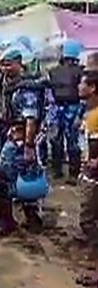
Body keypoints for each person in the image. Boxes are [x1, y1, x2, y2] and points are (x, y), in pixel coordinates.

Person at [0, 47, 47, 237]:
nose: (4, 68)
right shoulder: (7, 85)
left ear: (19, 63)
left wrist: (28, 146)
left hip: (22, 140)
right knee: (23, 177)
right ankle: (31, 220)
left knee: (2, 178)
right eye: (2, 64)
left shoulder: (26, 88)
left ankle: (8, 222)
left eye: (8, 64)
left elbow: (31, 118)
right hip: (13, 136)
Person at [47, 39, 85, 182]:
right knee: (72, 141)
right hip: (72, 108)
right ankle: (73, 174)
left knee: (56, 140)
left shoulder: (53, 71)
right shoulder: (81, 71)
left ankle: (58, 171)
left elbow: (49, 92)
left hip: (57, 109)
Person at [77, 70, 98, 247]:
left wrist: (93, 161)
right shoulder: (90, 111)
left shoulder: (95, 114)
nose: (78, 86)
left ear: (92, 88)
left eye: (82, 83)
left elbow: (94, 141)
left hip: (94, 168)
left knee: (88, 214)